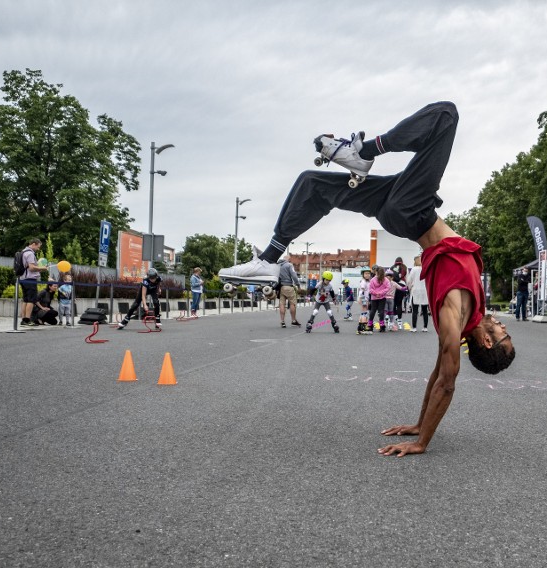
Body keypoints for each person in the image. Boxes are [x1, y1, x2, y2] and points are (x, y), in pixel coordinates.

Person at [218, 101, 515, 456]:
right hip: (399, 202)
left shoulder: (459, 313)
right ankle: (269, 259)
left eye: (502, 333)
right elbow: (437, 377)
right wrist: (420, 424)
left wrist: (421, 442)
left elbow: (447, 382)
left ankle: (365, 150)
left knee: (447, 115)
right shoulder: (468, 318)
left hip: (412, 210)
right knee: (312, 183)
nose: (500, 325)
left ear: (486, 343)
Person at [19, 237, 48, 327]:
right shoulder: (30, 254)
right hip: (30, 279)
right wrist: (42, 268)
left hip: (23, 278)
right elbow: (31, 268)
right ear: (33, 244)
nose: (38, 249)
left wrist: (38, 269)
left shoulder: (22, 252)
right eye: (38, 247)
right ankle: (27, 320)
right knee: (31, 300)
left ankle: (23, 320)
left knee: (25, 300)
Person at [407, 254, 429, 332]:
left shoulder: (414, 269)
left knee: (415, 310)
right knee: (425, 310)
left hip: (415, 290)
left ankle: (414, 327)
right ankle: (425, 327)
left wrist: (409, 287)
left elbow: (409, 280)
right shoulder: (426, 268)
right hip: (425, 291)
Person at [277, 256, 301, 328]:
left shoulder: (278, 265)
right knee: (292, 303)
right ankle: (293, 321)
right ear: (288, 260)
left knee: (282, 304)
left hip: (281, 287)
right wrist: (298, 285)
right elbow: (294, 275)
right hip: (289, 287)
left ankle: (282, 321)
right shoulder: (289, 265)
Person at [367, 266, 391, 332]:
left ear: (376, 272)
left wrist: (376, 293)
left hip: (374, 298)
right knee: (381, 311)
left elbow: (370, 289)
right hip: (382, 297)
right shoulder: (386, 280)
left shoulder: (372, 280)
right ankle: (382, 326)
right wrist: (381, 293)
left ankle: (370, 325)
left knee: (372, 311)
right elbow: (388, 287)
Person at [356, 267, 372, 334]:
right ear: (363, 274)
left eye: (368, 273)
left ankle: (360, 326)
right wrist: (360, 298)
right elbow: (361, 291)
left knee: (363, 312)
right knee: (365, 312)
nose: (367, 275)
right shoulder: (363, 282)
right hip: (363, 298)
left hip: (365, 298)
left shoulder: (367, 281)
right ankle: (363, 327)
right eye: (366, 273)